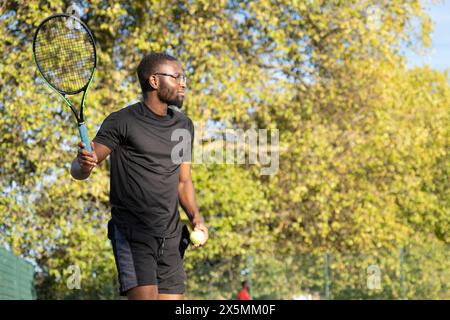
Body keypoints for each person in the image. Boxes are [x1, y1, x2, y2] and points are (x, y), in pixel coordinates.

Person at [70, 52, 208, 300]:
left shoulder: (183, 125)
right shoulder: (122, 121)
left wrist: (196, 218)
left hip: (171, 236)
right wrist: (85, 165)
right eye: (176, 77)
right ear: (154, 81)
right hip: (133, 233)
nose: (183, 83)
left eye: (183, 77)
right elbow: (81, 168)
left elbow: (183, 180)